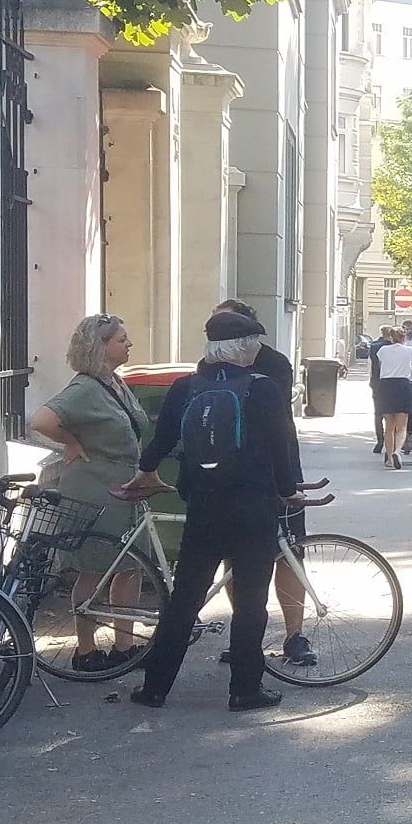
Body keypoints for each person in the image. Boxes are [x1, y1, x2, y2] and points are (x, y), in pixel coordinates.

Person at [123, 311, 301, 713]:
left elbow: (162, 439)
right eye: (255, 344)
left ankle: (155, 688)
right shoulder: (263, 388)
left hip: (203, 506)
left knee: (185, 598)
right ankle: (244, 690)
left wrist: (143, 473)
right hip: (254, 506)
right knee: (253, 601)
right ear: (243, 348)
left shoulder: (186, 386)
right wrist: (288, 491)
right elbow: (281, 448)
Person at [30, 314, 148, 672]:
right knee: (95, 567)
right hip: (96, 488)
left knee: (130, 567)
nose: (128, 344)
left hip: (126, 487)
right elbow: (40, 420)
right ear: (100, 347)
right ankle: (85, 651)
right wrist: (71, 441)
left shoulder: (115, 382)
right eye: (121, 339)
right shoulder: (84, 388)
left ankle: (124, 647)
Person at [213, 299, 314, 667]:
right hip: (229, 472)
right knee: (234, 555)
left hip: (276, 465)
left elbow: (271, 420)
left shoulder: (272, 363)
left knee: (289, 550)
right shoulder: (210, 364)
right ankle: (246, 632)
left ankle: (294, 634)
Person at [374, 327, 412, 469]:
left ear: (391, 337)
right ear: (404, 337)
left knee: (389, 426)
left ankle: (389, 458)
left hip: (386, 386)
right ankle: (397, 451)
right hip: (402, 385)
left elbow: (381, 366)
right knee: (402, 426)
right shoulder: (410, 351)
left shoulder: (382, 351)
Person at [367, 325, 397, 454]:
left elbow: (371, 364)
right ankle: (393, 440)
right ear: (390, 334)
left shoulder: (374, 346)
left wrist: (371, 379)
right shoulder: (392, 347)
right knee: (393, 412)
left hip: (377, 382)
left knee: (378, 413)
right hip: (391, 381)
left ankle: (380, 440)